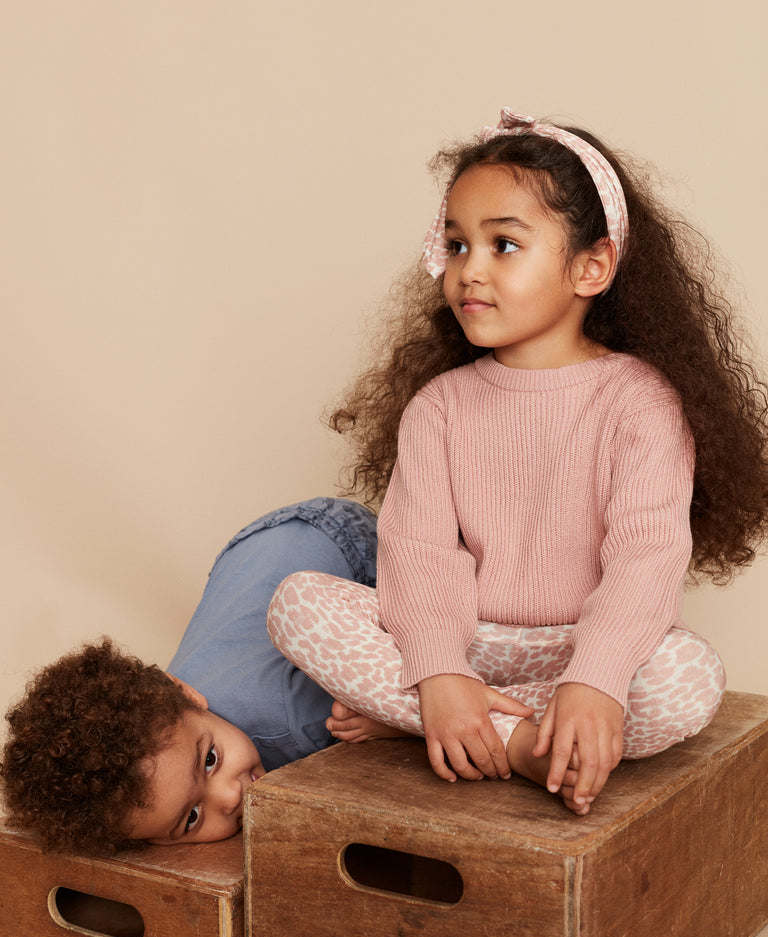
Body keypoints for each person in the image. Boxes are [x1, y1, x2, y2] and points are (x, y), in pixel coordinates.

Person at [267, 108, 768, 817]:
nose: (469, 270)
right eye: (456, 244)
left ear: (591, 267)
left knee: (688, 679)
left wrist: (594, 680)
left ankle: (438, 723)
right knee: (296, 603)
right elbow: (419, 555)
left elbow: (646, 558)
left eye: (503, 244)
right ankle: (503, 735)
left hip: (577, 647)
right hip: (467, 640)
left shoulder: (640, 402)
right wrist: (441, 670)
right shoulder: (438, 407)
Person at [0, 497, 377, 854]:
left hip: (348, 547)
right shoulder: (172, 723)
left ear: (186, 694)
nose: (230, 797)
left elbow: (392, 692)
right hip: (250, 552)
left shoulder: (296, 722)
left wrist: (385, 726)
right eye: (191, 818)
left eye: (210, 759)